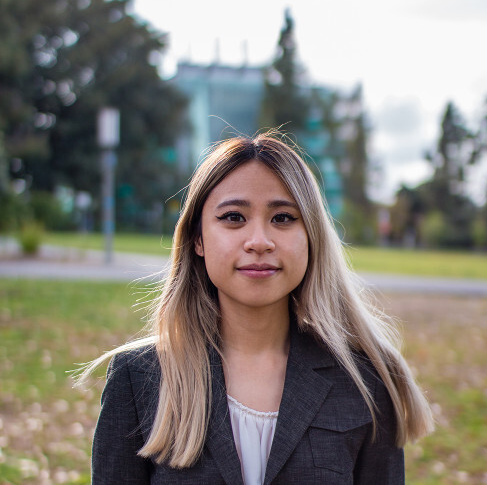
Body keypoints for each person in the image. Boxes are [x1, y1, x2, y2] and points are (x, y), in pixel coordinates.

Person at [83, 132, 434, 484]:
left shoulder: (367, 381)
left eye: (282, 218)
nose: (259, 242)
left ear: (311, 236)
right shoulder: (139, 378)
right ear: (198, 239)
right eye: (234, 217)